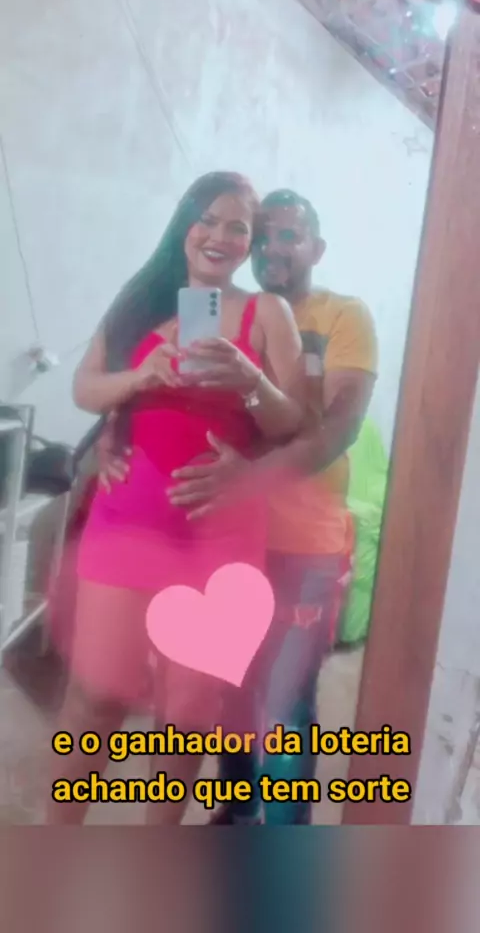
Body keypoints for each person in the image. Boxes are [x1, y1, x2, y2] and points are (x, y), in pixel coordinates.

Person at [96, 188, 378, 825]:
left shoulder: (343, 315)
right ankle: (235, 815)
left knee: (284, 706)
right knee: (224, 693)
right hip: (218, 539)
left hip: (300, 543)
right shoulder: (218, 308)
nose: (273, 248)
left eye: (290, 235)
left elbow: (337, 429)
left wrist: (247, 480)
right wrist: (115, 429)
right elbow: (166, 391)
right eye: (264, 234)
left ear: (317, 248)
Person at [47, 172, 306, 825]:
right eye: (207, 218)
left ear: (250, 242)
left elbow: (293, 423)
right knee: (94, 699)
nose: (219, 235)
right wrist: (139, 378)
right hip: (126, 527)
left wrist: (249, 379)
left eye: (237, 226)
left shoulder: (266, 313)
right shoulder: (141, 300)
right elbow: (84, 388)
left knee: (186, 719)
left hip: (221, 542)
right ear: (183, 224)